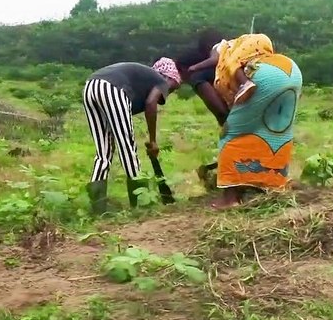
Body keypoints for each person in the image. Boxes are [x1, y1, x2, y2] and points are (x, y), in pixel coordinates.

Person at [177, 33, 302, 209]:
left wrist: (230, 131)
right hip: (289, 69)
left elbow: (221, 113)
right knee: (276, 130)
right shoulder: (237, 54)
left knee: (232, 133)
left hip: (262, 75)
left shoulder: (199, 74)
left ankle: (231, 198)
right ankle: (274, 185)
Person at [82, 57, 183, 213]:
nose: (169, 92)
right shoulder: (161, 81)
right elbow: (151, 104)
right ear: (168, 77)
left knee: (103, 152)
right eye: (173, 87)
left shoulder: (144, 80)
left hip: (90, 86)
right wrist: (153, 141)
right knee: (127, 148)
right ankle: (140, 205)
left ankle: (97, 209)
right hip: (112, 88)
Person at [184, 33, 270, 105]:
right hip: (263, 42)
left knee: (231, 62)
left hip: (254, 40)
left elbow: (214, 59)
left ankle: (245, 83)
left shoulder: (218, 47)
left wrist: (194, 67)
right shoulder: (234, 46)